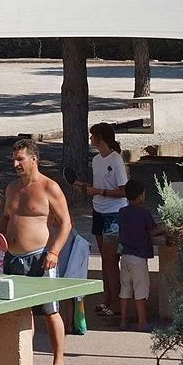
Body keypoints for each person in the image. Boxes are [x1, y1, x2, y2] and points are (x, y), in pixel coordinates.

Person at [0, 138, 72, 365]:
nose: (16, 164)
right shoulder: (11, 188)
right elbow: (6, 218)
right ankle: (22, 361)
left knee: (50, 312)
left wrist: (54, 252)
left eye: (20, 159)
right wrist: (0, 233)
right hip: (12, 259)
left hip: (40, 258)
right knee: (20, 312)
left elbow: (66, 224)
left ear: (34, 159)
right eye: (14, 160)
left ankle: (58, 362)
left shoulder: (49, 187)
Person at [73, 122, 128, 318]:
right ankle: (107, 299)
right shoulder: (96, 160)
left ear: (100, 137)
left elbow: (123, 191)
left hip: (115, 214)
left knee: (111, 261)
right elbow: (99, 187)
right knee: (105, 260)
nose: (90, 139)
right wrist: (87, 188)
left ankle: (116, 303)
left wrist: (99, 191)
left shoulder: (116, 159)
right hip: (98, 211)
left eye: (92, 135)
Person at [117, 179, 165, 332]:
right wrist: (164, 228)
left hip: (125, 256)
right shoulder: (144, 213)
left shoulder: (122, 212)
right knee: (140, 289)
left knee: (125, 289)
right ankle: (142, 321)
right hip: (138, 257)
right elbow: (152, 230)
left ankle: (123, 320)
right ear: (140, 196)